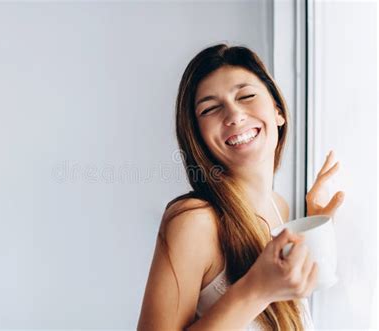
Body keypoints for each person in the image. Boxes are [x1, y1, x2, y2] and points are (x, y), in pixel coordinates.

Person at [137, 43, 345, 330]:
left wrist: (313, 230)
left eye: (246, 96)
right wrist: (256, 289)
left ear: (278, 111)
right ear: (198, 137)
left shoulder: (279, 207)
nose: (234, 115)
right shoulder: (194, 221)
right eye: (210, 109)